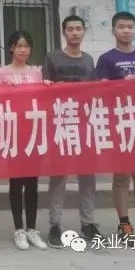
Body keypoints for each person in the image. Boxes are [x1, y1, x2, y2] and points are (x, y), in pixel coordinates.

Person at [96, 11, 135, 240]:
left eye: (130, 27)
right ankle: (124, 223)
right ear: (113, 30)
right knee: (121, 177)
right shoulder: (106, 59)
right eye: (121, 27)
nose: (126, 31)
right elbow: (100, 89)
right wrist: (121, 84)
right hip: (119, 122)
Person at [42, 15, 103, 248]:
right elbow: (44, 90)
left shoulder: (88, 60)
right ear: (63, 32)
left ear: (83, 31)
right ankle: (55, 224)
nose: (75, 33)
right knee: (59, 176)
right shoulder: (52, 57)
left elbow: (95, 90)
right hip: (61, 123)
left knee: (87, 177)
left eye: (78, 29)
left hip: (85, 123)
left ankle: (88, 222)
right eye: (70, 29)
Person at [0, 30, 49, 251]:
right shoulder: (1, 73)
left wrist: (48, 86)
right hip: (12, 133)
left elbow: (43, 99)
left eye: (27, 46)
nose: (23, 50)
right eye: (19, 46)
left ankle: (32, 229)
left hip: (33, 132)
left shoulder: (37, 73)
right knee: (16, 183)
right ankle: (19, 229)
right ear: (11, 48)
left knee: (32, 182)